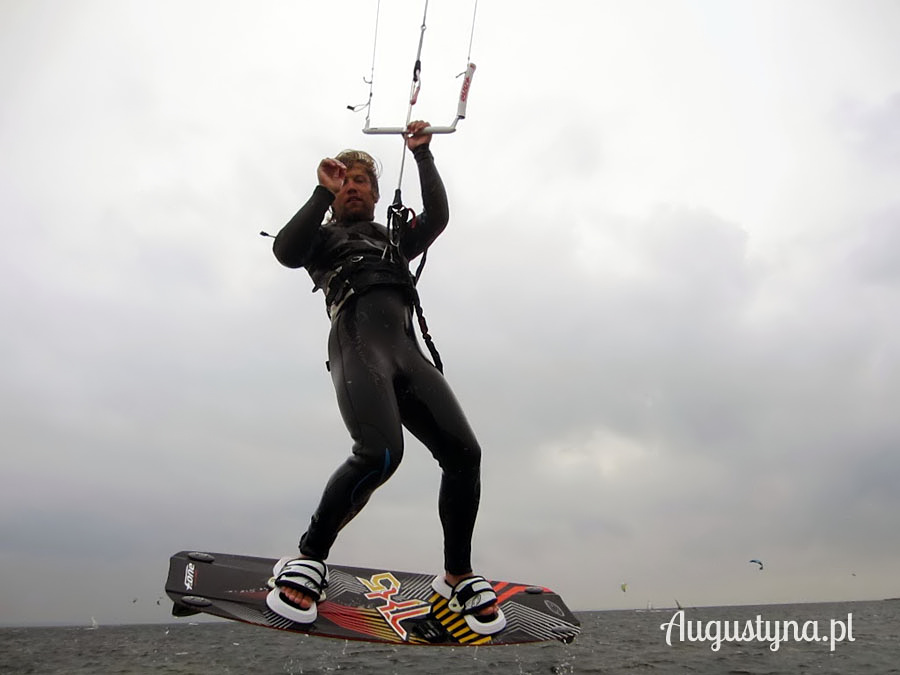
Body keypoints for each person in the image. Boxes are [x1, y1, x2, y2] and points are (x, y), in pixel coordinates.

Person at [265, 120, 506, 636]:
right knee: (379, 453)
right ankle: (309, 558)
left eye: (361, 181)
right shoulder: (321, 239)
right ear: (334, 193)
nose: (353, 185)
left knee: (465, 454)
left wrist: (422, 155)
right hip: (356, 342)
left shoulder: (393, 239)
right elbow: (285, 251)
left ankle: (456, 576)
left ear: (376, 195)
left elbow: (438, 216)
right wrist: (318, 192)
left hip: (406, 352)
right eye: (344, 180)